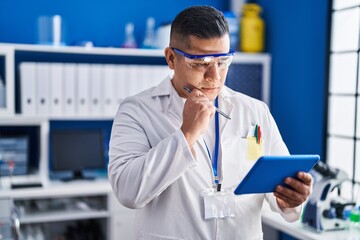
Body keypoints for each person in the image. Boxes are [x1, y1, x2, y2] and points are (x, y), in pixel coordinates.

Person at [108, 5, 312, 240]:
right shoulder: (137, 110)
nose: (214, 77)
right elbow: (127, 191)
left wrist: (291, 198)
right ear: (171, 58)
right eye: (201, 63)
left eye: (223, 61)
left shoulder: (254, 110)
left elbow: (281, 191)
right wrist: (186, 135)